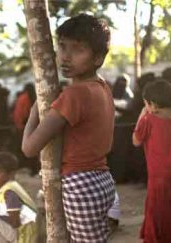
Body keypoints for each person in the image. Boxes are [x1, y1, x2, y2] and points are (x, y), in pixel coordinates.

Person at [22, 14, 116, 242]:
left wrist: (35, 111)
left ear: (98, 58)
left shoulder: (75, 94)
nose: (66, 57)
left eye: (78, 49)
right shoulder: (101, 86)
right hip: (102, 180)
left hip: (79, 184)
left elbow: (29, 148)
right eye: (62, 47)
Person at [133, 80, 171, 243]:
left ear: (152, 104)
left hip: (157, 175)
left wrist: (142, 115)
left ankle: (157, 238)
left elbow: (136, 141)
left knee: (156, 208)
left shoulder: (148, 120)